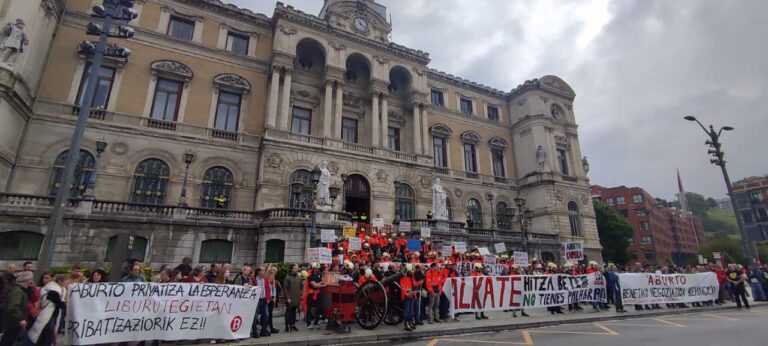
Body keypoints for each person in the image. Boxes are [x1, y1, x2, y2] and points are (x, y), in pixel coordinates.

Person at [26, 274, 66, 346]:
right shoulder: (53, 289)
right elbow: (54, 301)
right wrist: (63, 304)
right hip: (46, 315)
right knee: (47, 335)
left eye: (47, 278)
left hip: (52, 315)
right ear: (60, 281)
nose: (45, 280)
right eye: (44, 278)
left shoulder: (58, 289)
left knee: (45, 335)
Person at [0, 271, 31, 346]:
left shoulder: (18, 290)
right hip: (14, 323)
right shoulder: (18, 291)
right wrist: (21, 319)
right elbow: (12, 306)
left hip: (13, 323)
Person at [251, 267, 271, 337]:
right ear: (259, 272)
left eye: (264, 270)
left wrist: (268, 298)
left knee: (266, 315)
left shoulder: (265, 280)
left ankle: (263, 330)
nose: (264, 272)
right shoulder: (254, 280)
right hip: (257, 300)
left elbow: (268, 289)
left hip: (264, 299)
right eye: (263, 270)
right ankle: (254, 331)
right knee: (255, 316)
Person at [305, 263, 325, 331]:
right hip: (311, 294)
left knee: (318, 309)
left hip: (318, 294)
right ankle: (309, 324)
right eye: (315, 268)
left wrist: (319, 283)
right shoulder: (310, 276)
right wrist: (322, 284)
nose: (316, 269)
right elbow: (315, 286)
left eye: (317, 268)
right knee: (309, 309)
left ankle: (316, 323)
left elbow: (323, 281)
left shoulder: (320, 275)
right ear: (313, 269)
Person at [283, 264, 302, 333]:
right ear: (291, 269)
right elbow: (285, 289)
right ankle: (287, 326)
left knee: (294, 312)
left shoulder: (299, 277)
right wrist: (288, 298)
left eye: (297, 268)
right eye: (295, 268)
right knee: (288, 312)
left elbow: (301, 286)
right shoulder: (287, 278)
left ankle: (293, 325)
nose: (296, 269)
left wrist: (300, 293)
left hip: (296, 297)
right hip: (290, 297)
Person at [401, 263, 418, 331]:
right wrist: (406, 294)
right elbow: (403, 288)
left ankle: (410, 323)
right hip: (407, 296)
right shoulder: (403, 278)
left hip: (411, 295)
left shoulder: (410, 278)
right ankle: (406, 324)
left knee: (411, 311)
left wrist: (412, 277)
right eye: (410, 271)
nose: (412, 272)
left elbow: (415, 285)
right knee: (407, 311)